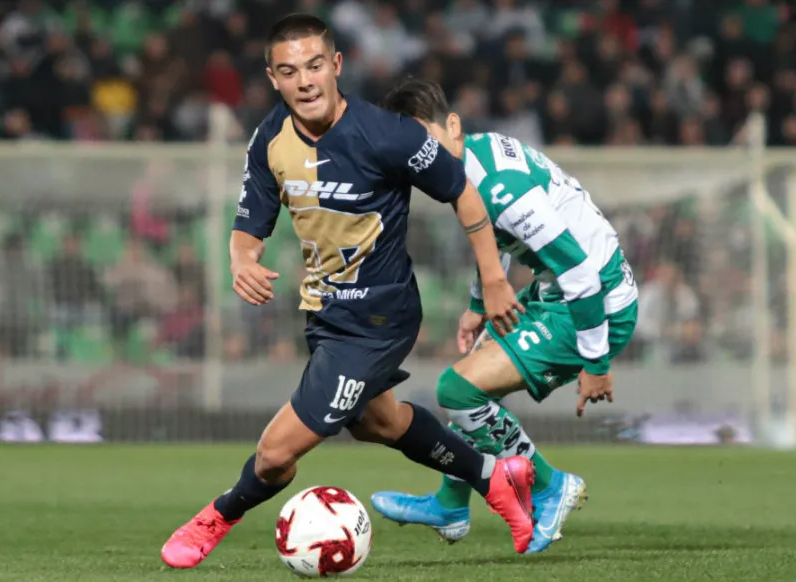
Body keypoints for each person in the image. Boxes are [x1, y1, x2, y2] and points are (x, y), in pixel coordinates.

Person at [160, 15, 537, 569]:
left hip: (380, 317)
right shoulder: (270, 139)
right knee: (378, 423)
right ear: (273, 78)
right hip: (325, 313)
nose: (305, 81)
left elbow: (465, 193)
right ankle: (494, 475)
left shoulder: (388, 134)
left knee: (274, 454)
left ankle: (216, 516)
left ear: (336, 66)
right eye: (290, 71)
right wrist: (242, 259)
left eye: (315, 66)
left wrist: (495, 281)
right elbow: (250, 225)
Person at [370, 78, 639, 553]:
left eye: (425, 141)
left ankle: (549, 486)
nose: (420, 159)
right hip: (561, 291)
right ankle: (451, 503)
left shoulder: (499, 187)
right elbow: (496, 239)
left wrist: (596, 363)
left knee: (457, 389)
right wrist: (479, 304)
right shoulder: (474, 160)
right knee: (474, 383)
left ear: (452, 125)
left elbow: (579, 271)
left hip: (592, 303)